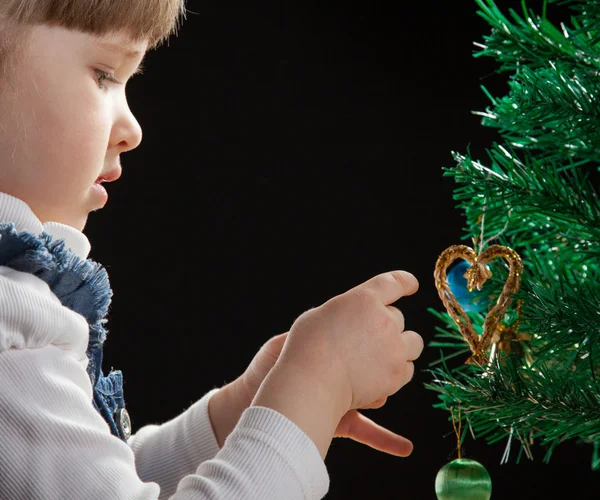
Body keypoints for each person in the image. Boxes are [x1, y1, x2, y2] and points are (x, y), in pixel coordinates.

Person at [0, 1, 424, 499]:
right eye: (103, 74)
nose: (132, 129)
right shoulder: (11, 328)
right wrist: (316, 380)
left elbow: (87, 479)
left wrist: (238, 413)